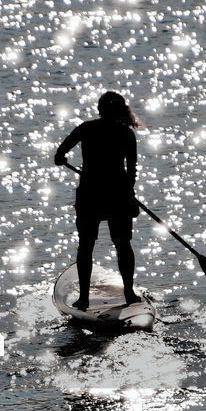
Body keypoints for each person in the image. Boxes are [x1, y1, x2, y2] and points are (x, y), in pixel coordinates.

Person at [53, 91, 143, 310]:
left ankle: (83, 298)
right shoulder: (126, 134)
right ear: (121, 110)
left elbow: (59, 155)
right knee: (123, 245)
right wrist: (129, 195)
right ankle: (129, 293)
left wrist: (61, 159)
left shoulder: (85, 128)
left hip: (90, 195)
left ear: (100, 109)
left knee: (86, 246)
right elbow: (131, 172)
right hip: (118, 195)